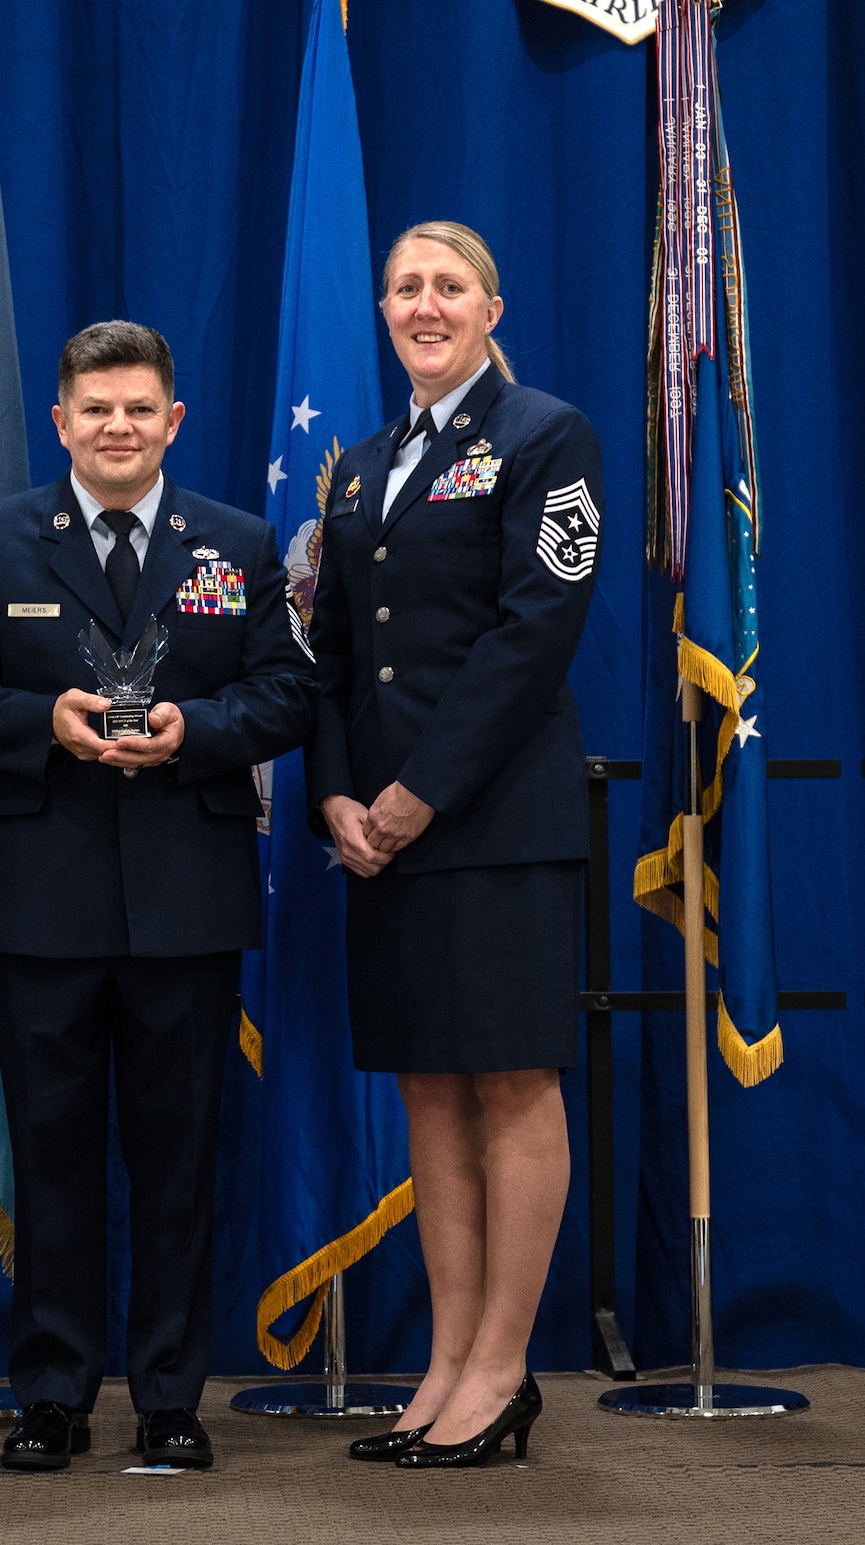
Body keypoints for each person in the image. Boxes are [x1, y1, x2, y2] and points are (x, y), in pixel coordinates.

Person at [0, 322, 317, 1473]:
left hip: (188, 896)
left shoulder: (237, 542)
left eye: (138, 409)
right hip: (43, 897)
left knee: (178, 1160)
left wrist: (199, 730)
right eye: (95, 409)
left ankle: (171, 1397)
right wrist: (42, 721)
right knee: (51, 1156)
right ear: (60, 422)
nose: (117, 428)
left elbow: (290, 691)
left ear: (172, 421)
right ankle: (52, 1394)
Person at [305, 221, 602, 1470]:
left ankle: (501, 1368)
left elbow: (534, 631)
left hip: (494, 822)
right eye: (403, 288)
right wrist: (334, 794)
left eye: (447, 286)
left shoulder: (542, 435)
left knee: (510, 1080)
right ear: (383, 312)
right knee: (427, 1083)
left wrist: (417, 792)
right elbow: (328, 649)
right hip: (381, 832)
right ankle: (444, 1362)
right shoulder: (361, 468)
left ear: (490, 307)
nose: (423, 306)